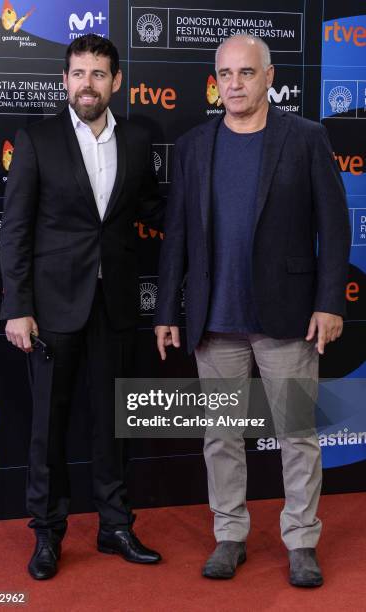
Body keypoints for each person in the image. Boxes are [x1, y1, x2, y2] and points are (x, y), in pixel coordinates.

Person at [154, 35, 350, 587]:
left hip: (287, 315)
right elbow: (177, 239)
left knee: (297, 434)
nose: (234, 84)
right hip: (214, 321)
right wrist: (167, 308)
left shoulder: (307, 138)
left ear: (269, 77)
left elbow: (334, 227)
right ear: (215, 81)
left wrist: (329, 301)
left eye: (246, 73)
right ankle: (230, 534)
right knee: (221, 435)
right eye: (225, 75)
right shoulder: (195, 145)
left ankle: (302, 539)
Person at [0, 34, 163, 580]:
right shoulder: (37, 138)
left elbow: (151, 207)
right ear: (64, 79)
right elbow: (15, 230)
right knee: (49, 424)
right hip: (50, 309)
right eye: (77, 73)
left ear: (115, 81)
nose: (86, 84)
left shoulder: (138, 138)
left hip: (114, 304)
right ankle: (47, 534)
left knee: (114, 421)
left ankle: (115, 525)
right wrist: (16, 306)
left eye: (97, 74)